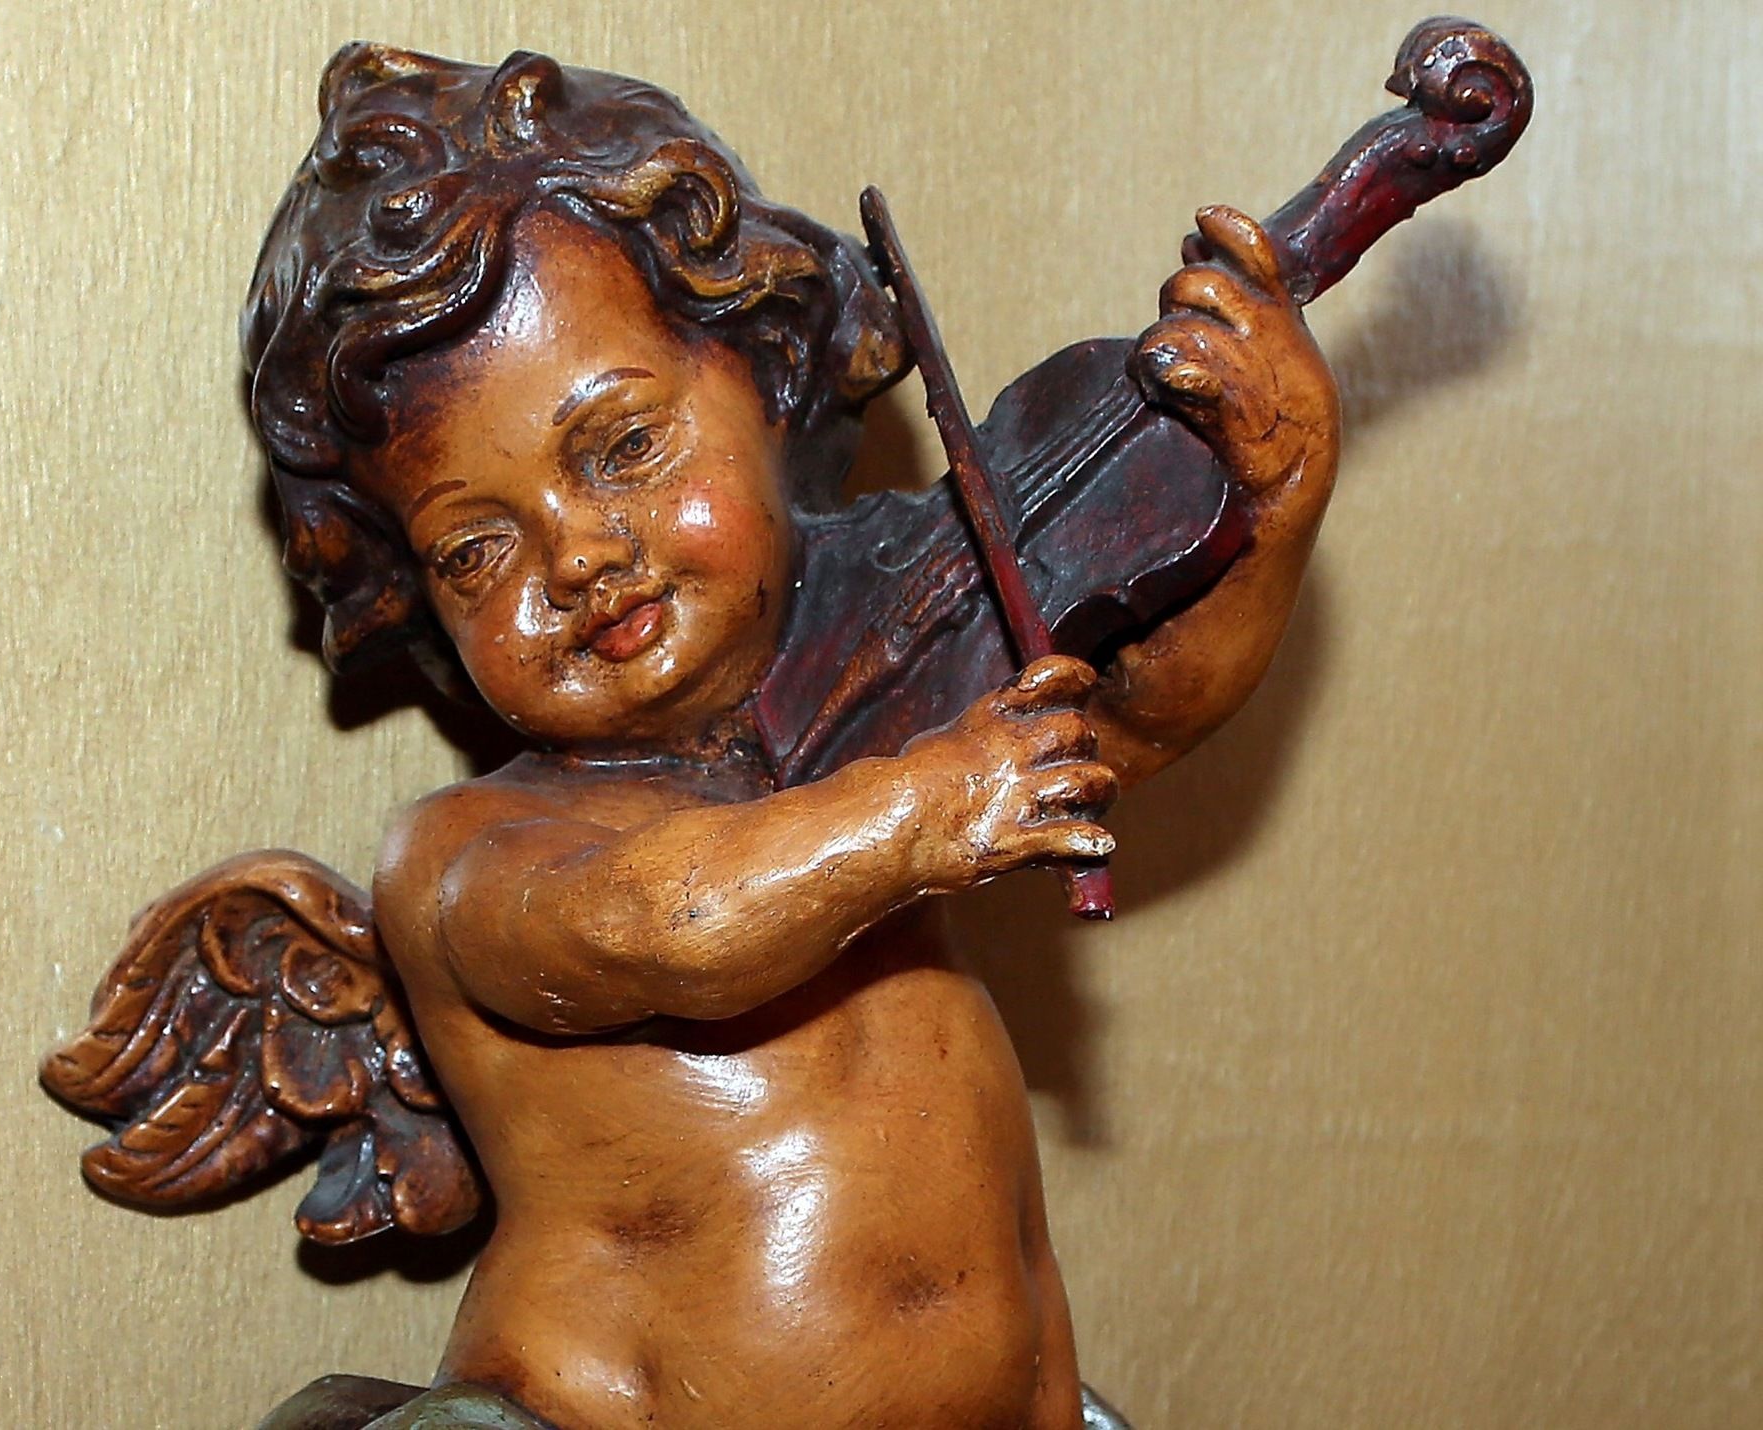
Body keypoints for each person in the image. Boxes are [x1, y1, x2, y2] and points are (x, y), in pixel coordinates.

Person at [235, 40, 1336, 1430]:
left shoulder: (858, 735)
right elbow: (670, 922)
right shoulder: (465, 856)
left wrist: (1272, 509)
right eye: (474, 549)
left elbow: (1128, 719)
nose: (578, 558)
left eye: (624, 448)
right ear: (410, 589)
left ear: (766, 377)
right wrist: (925, 812)